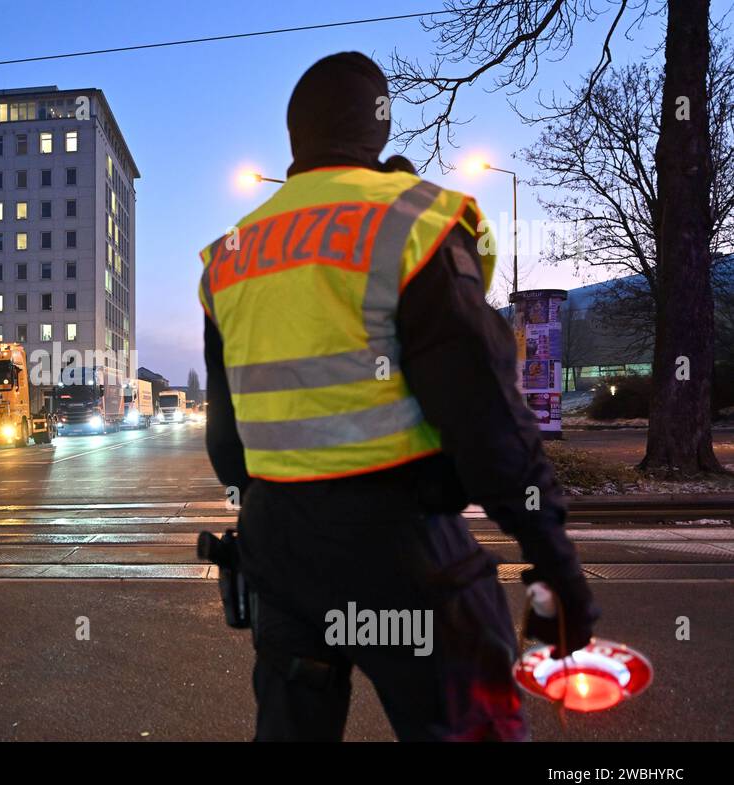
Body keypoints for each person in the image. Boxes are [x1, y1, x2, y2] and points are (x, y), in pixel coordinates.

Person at [199, 52, 599, 741]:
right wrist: (553, 558)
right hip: (401, 549)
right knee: (470, 727)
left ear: (295, 139)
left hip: (279, 548)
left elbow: (229, 448)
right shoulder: (416, 223)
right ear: (377, 128)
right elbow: (484, 418)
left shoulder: (230, 257)